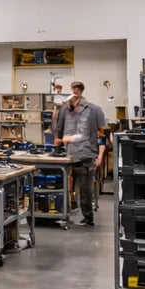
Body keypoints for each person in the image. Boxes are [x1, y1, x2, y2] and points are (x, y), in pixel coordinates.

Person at [50, 80, 106, 226]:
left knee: (86, 190)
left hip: (87, 156)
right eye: (73, 92)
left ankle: (88, 217)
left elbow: (102, 135)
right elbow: (58, 131)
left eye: (77, 92)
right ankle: (63, 214)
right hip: (69, 156)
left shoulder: (95, 110)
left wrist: (100, 155)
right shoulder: (64, 110)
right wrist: (57, 142)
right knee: (65, 187)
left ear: (80, 93)